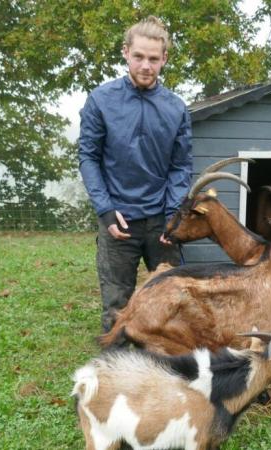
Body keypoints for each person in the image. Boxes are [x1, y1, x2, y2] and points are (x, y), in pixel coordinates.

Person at [79, 16, 193, 332]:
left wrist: (173, 216)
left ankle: (169, 370)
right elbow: (88, 156)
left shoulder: (176, 108)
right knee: (117, 307)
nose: (146, 65)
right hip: (119, 221)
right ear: (126, 53)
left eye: (154, 59)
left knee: (174, 301)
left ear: (164, 59)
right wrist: (105, 210)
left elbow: (180, 166)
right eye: (139, 56)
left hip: (161, 223)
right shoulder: (101, 100)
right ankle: (115, 370)